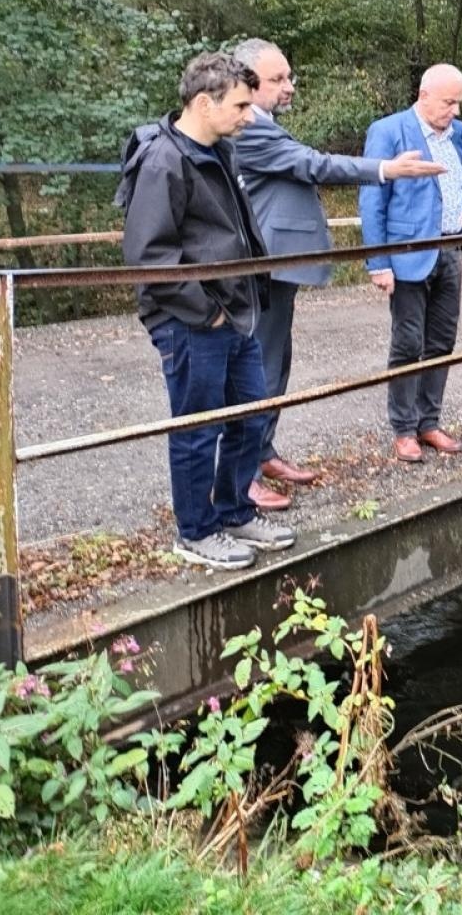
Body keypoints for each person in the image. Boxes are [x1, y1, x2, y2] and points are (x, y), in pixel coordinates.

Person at [231, 38, 446, 510]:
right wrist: (385, 169)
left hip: (278, 266)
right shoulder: (249, 128)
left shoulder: (263, 124)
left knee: (276, 364)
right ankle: (241, 477)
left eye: (289, 76)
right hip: (266, 265)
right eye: (278, 79)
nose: (290, 87)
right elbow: (314, 164)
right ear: (245, 82)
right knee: (260, 368)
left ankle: (262, 453)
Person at [115, 52, 294, 570]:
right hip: (194, 321)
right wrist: (206, 311)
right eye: (240, 105)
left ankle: (234, 510)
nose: (249, 114)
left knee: (247, 416)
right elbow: (148, 256)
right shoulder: (164, 161)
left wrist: (246, 294)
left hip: (236, 310)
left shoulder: (220, 150)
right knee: (198, 428)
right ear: (203, 102)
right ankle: (195, 531)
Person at [359, 63, 462, 464]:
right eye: (449, 102)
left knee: (442, 342)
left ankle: (429, 421)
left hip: (450, 251)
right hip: (409, 255)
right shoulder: (389, 131)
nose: (455, 111)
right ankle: (404, 429)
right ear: (424, 95)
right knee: (408, 343)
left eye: (458, 102)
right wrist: (378, 262)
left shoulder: (457, 133)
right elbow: (372, 200)